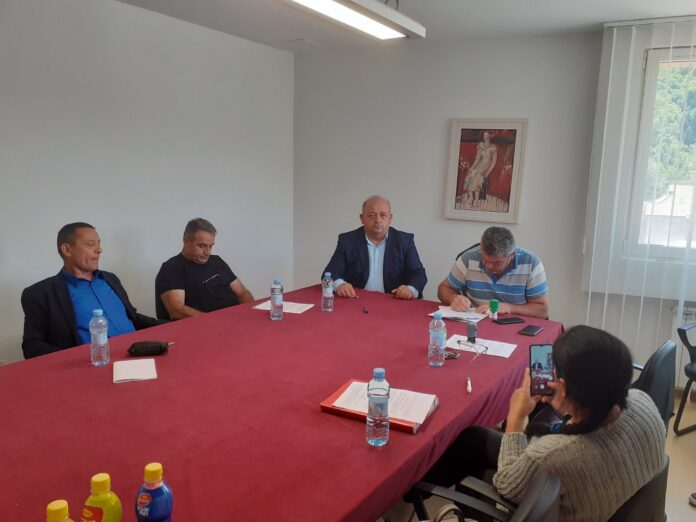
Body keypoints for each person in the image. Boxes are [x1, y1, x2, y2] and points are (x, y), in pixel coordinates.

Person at [417, 325, 666, 521]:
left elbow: (507, 485)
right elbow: (589, 426)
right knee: (473, 439)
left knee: (480, 470)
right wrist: (566, 404)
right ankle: (418, 486)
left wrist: (516, 418)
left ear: (564, 387)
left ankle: (416, 489)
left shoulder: (552, 455)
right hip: (614, 492)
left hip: (571, 501)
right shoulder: (643, 401)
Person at [21, 222, 162, 359]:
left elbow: (133, 317)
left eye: (99, 243)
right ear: (67, 250)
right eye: (90, 244)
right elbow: (32, 346)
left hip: (137, 354)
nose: (99, 250)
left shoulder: (110, 279)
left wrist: (171, 326)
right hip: (94, 364)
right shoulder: (39, 294)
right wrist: (75, 360)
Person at [322, 195, 427, 299]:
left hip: (393, 301)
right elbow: (328, 275)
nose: (378, 220)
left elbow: (418, 274)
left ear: (390, 218)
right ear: (362, 218)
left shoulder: (404, 241)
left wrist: (410, 289)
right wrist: (340, 285)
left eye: (383, 215)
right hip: (357, 301)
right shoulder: (347, 241)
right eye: (372, 215)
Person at [437, 226, 548, 318]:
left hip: (515, 325)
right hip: (477, 321)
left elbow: (542, 310)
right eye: (484, 259)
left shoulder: (531, 263)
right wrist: (453, 298)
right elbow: (444, 289)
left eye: (497, 262)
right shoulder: (468, 259)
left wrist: (509, 308)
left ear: (512, 256)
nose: (488, 266)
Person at [155, 218, 254, 320]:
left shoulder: (217, 261)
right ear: (186, 241)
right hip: (206, 325)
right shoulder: (172, 268)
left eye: (210, 246)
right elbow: (177, 311)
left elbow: (242, 292)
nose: (208, 252)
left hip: (236, 320)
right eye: (202, 246)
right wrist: (217, 321)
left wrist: (250, 313)